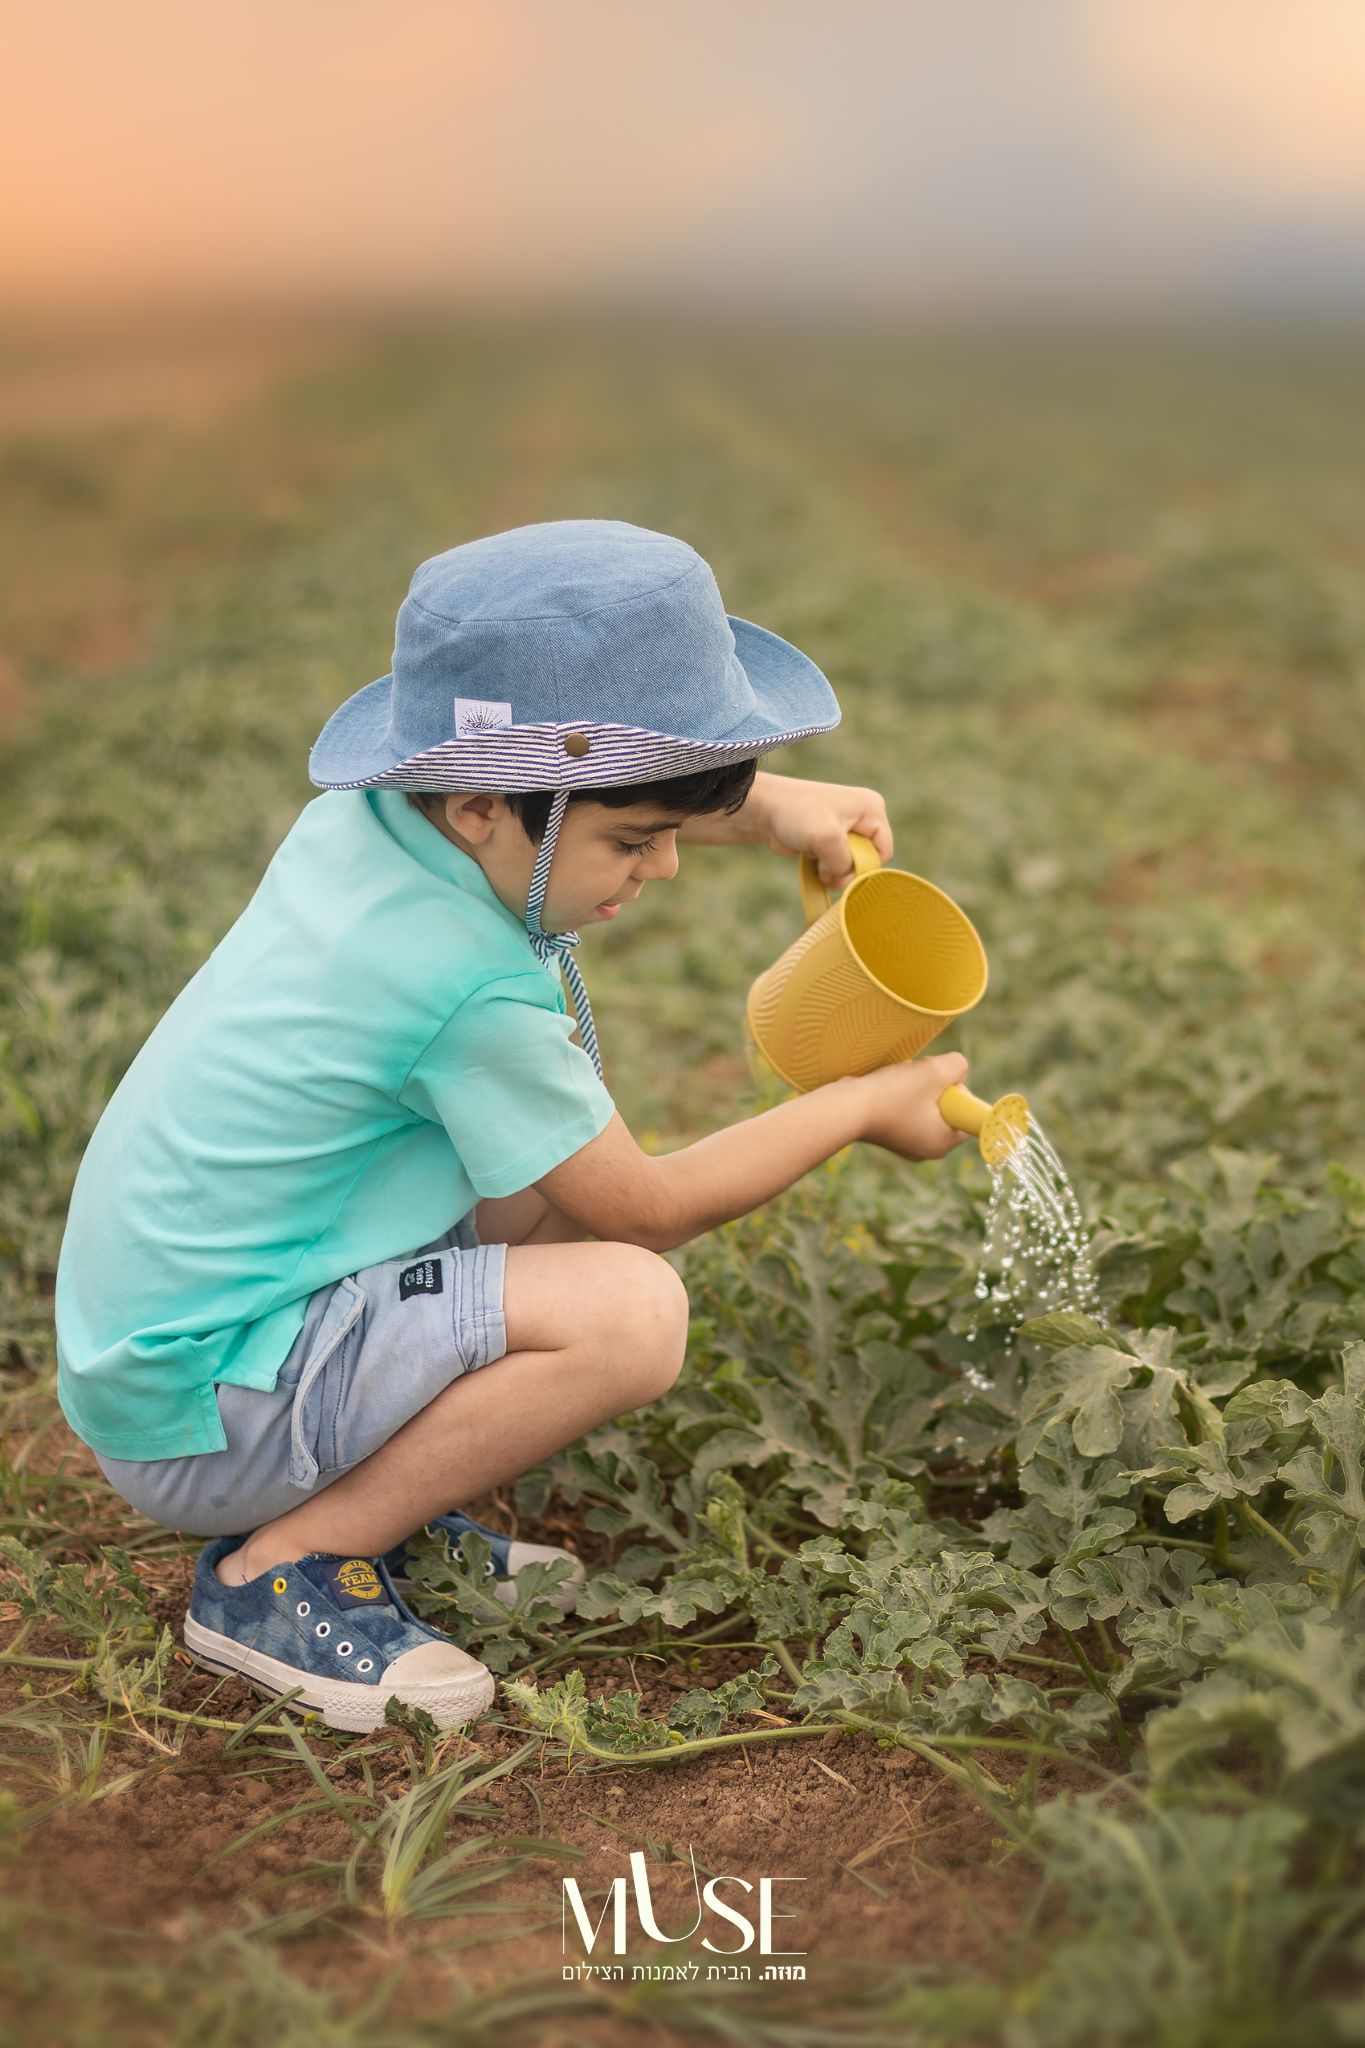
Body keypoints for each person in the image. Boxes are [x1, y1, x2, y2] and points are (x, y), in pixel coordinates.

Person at [54, 519, 968, 1733]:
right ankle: (283, 1565)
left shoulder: (380, 823)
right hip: (208, 1408)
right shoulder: (457, 983)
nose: (662, 868)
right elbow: (647, 1208)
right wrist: (854, 1104)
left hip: (175, 1340)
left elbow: (574, 790)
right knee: (629, 1309)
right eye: (635, 841)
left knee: (540, 1175)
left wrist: (766, 806)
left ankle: (374, 1489)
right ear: (483, 802)